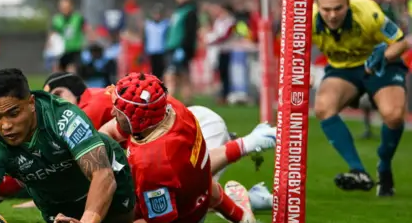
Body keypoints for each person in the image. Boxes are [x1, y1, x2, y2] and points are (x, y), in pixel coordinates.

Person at [0, 68, 135, 223]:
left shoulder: (63, 116)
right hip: (56, 206)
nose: (5, 126)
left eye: (13, 114)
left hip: (111, 185)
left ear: (31, 103)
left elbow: (102, 174)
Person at [42, 72, 277, 180]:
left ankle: (247, 143)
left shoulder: (87, 111)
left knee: (188, 187)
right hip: (168, 124)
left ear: (62, 93)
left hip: (192, 129)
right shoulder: (104, 105)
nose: (112, 110)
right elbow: (109, 132)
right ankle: (249, 198)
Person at [101, 73, 256, 223]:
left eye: (118, 110)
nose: (112, 112)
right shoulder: (166, 107)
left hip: (184, 217)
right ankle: (240, 214)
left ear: (139, 119)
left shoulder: (153, 164)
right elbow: (110, 131)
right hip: (200, 187)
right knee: (196, 180)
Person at [313, 0, 409, 196]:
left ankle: (384, 164)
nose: (332, 15)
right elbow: (292, 52)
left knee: (394, 116)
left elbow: (401, 42)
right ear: (318, 6)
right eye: (326, 9)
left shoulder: (368, 12)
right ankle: (358, 171)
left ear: (348, 2)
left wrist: (384, 54)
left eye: (338, 8)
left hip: (380, 63)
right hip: (342, 69)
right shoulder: (306, 19)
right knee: (323, 107)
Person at [164, 0, 198, 104]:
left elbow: (190, 32)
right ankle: (186, 103)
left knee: (171, 77)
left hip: (180, 49)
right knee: (182, 77)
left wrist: (184, 49)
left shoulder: (190, 11)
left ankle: (169, 104)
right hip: (172, 48)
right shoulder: (178, 11)